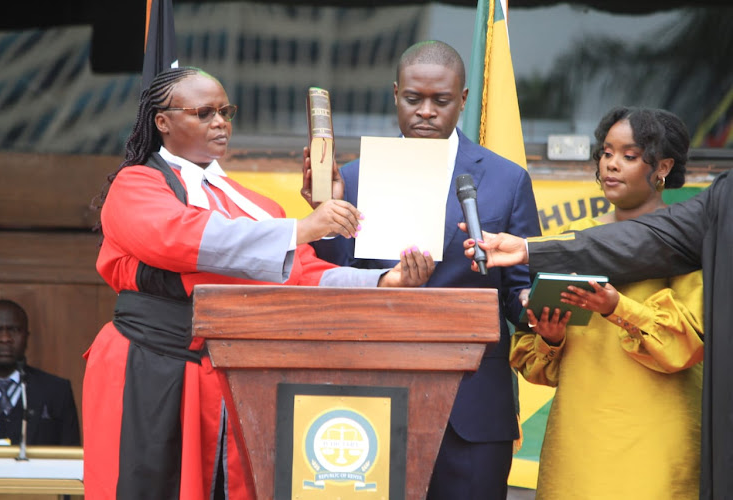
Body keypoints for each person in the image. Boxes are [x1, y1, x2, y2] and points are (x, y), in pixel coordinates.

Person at [85, 66, 435, 500]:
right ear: (163, 122)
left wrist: (384, 280)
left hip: (232, 373)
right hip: (150, 364)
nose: (220, 123)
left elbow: (303, 274)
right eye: (204, 113)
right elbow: (181, 237)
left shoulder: (255, 204)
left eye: (225, 112)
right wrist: (301, 229)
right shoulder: (135, 184)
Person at [301, 40, 541, 499]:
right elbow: (329, 285)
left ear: (464, 100)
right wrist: (323, 216)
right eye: (414, 99)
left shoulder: (507, 180)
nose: (426, 111)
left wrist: (532, 306)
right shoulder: (351, 177)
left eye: (441, 100)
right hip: (371, 394)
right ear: (396, 95)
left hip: (471, 406)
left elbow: (517, 292)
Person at [463, 117, 732, 500]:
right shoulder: (573, 237)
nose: (611, 164)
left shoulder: (689, 245)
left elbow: (687, 343)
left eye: (629, 155)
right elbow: (532, 362)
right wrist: (550, 338)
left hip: (657, 445)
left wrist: (615, 307)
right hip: (578, 444)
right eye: (606, 153)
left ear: (663, 167)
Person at [0, 299, 80, 446]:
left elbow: (70, 458)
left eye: (14, 330)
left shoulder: (57, 391)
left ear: (27, 336)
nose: (5, 338)